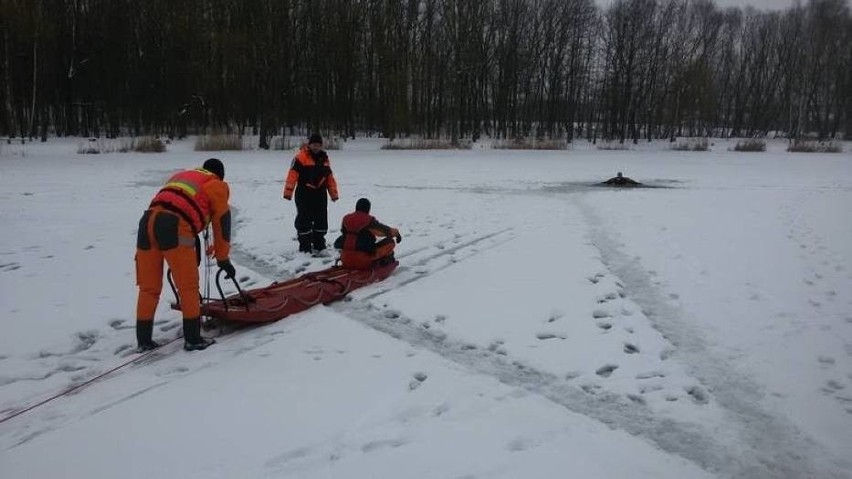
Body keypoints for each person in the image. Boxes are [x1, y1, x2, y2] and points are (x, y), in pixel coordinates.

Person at [135, 158, 235, 352]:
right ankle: (193, 338)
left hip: (147, 222)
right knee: (188, 286)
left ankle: (143, 341)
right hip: (175, 226)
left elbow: (176, 202)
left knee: (149, 288)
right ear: (220, 174)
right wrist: (223, 259)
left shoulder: (183, 176)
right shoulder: (217, 185)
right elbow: (222, 223)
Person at [282, 133, 339, 253]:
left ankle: (319, 242)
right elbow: (292, 175)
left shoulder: (325, 159)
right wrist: (288, 191)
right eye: (314, 145)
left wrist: (333, 193)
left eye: (318, 145)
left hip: (320, 194)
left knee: (321, 219)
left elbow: (329, 178)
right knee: (304, 218)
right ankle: (305, 244)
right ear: (309, 145)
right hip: (304, 193)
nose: (316, 147)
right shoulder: (300, 158)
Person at [334, 198, 402, 269]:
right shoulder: (369, 221)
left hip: (345, 258)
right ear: (368, 209)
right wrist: (397, 234)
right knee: (390, 242)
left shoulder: (346, 218)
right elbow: (385, 231)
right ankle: (381, 261)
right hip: (362, 260)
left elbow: (343, 233)